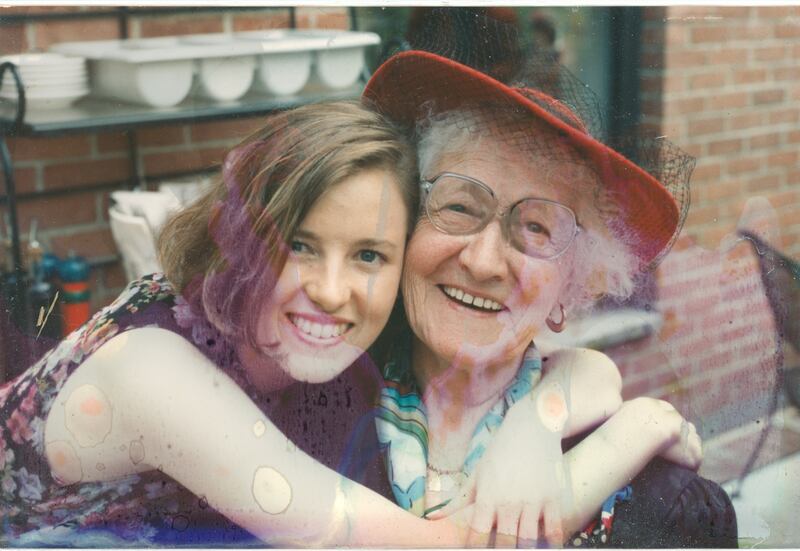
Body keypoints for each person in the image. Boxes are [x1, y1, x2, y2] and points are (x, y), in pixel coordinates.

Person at [0, 99, 631, 547]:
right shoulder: (154, 371)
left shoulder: (325, 336)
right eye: (298, 245)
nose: (332, 293)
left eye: (367, 255)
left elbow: (584, 369)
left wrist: (535, 423)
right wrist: (639, 431)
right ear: (240, 239)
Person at [361, 50, 737, 547]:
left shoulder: (664, 503)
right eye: (457, 206)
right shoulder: (311, 404)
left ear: (572, 285)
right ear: (405, 227)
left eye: (536, 228)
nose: (484, 261)